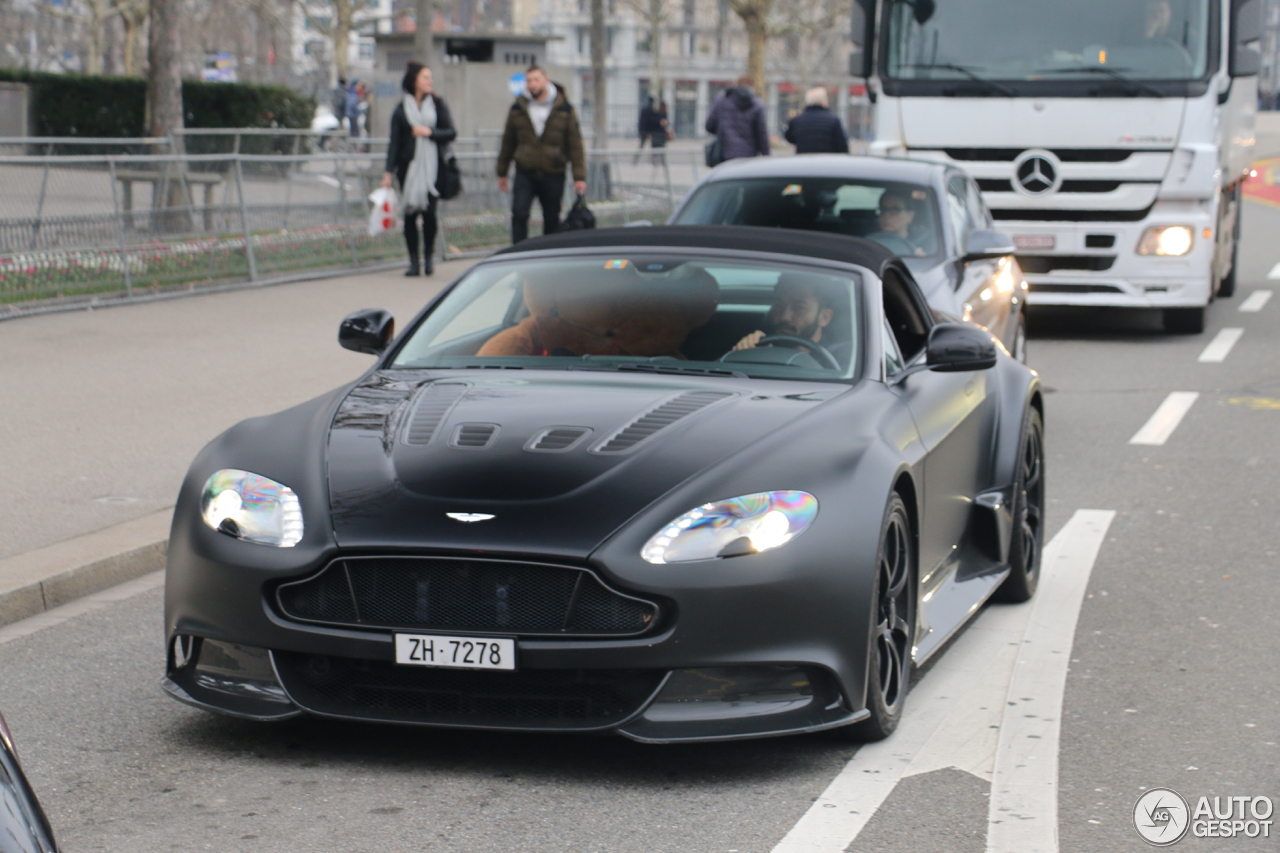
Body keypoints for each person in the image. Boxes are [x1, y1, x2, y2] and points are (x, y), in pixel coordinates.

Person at [381, 62, 457, 276]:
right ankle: (414, 262)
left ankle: (429, 258)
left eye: (430, 77)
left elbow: (451, 132)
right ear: (414, 81)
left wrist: (428, 132)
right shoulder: (401, 109)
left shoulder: (438, 105)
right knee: (410, 214)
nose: (429, 81)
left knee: (430, 213)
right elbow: (394, 142)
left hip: (434, 168)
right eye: (425, 77)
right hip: (409, 168)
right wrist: (388, 172)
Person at [496, 65, 587, 244]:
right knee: (519, 213)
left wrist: (579, 177)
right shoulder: (518, 108)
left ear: (546, 80)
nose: (533, 84)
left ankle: (548, 256)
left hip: (553, 172)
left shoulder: (564, 109)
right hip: (525, 171)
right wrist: (502, 172)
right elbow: (508, 141)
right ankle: (518, 253)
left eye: (536, 79)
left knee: (551, 219)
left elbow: (575, 145)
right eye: (529, 80)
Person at [733, 274, 839, 356]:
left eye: (799, 308)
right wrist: (747, 353)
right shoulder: (761, 345)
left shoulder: (842, 362)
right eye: (779, 305)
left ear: (825, 317)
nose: (785, 317)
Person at [705, 75, 769, 161]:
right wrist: (766, 157)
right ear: (752, 87)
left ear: (736, 84)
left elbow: (709, 126)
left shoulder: (722, 100)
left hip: (725, 154)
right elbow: (762, 135)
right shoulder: (758, 105)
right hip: (749, 156)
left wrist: (723, 131)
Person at [784, 87, 849, 154]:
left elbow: (789, 138)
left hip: (803, 160)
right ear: (823, 101)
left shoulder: (797, 121)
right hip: (827, 160)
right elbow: (842, 144)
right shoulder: (833, 120)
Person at [867, 190, 928, 257]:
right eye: (883, 209)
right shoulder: (867, 244)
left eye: (895, 210)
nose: (887, 214)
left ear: (910, 216)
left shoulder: (925, 244)